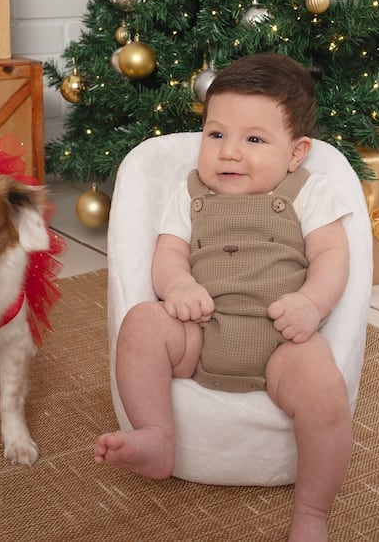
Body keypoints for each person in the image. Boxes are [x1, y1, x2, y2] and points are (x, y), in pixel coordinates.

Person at [94, 52, 353, 542]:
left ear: (296, 152)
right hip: (202, 331)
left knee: (325, 394)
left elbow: (332, 258)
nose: (229, 152)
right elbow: (168, 251)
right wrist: (177, 286)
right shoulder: (189, 192)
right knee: (142, 324)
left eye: (254, 139)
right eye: (216, 135)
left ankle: (313, 512)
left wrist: (311, 304)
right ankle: (156, 436)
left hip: (283, 342)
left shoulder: (309, 191)